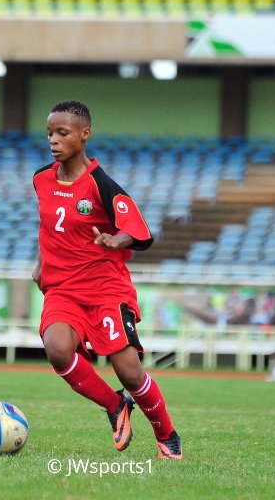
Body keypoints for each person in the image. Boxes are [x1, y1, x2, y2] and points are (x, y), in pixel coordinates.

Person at [31, 100, 182, 460]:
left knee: (129, 371)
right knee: (57, 349)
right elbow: (51, 225)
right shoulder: (40, 179)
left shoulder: (101, 185)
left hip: (105, 289)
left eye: (62, 133)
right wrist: (40, 262)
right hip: (63, 288)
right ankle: (116, 406)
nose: (53, 140)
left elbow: (142, 232)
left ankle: (166, 433)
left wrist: (118, 240)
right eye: (50, 133)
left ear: (84, 136)